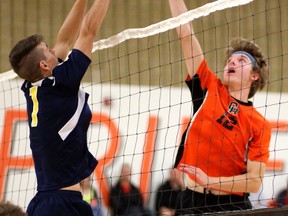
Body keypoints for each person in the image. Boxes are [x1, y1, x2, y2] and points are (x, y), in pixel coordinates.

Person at [168, 0, 272, 215]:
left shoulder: (259, 123)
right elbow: (186, 34)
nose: (231, 63)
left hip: (231, 206)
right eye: (229, 60)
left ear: (254, 76)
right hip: (191, 202)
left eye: (241, 60)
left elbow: (254, 182)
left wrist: (211, 181)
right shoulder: (209, 87)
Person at [8, 0, 110, 215]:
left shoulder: (34, 86)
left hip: (47, 201)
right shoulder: (61, 84)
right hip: (61, 205)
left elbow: (64, 39)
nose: (55, 50)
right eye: (48, 50)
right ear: (44, 65)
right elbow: (88, 31)